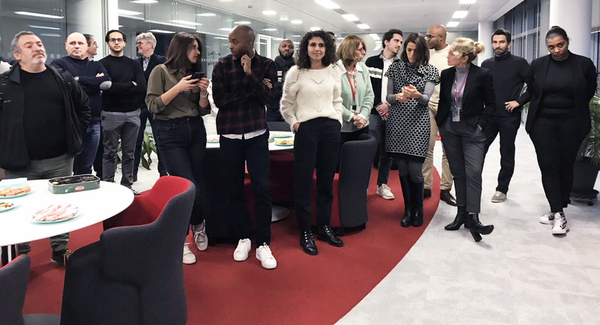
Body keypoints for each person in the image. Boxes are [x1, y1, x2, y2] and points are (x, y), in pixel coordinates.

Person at [0, 31, 90, 265]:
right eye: (29, 46)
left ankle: (60, 250)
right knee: (20, 209)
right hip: (19, 161)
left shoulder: (63, 78)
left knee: (59, 206)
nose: (37, 48)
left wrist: (76, 135)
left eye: (39, 43)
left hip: (59, 158)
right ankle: (22, 256)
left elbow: (83, 107)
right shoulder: (5, 84)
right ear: (17, 54)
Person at [211, 25, 278, 270]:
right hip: (229, 135)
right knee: (234, 189)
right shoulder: (221, 65)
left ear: (249, 42)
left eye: (234, 41)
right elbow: (219, 101)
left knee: (262, 189)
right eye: (229, 40)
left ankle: (263, 243)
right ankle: (243, 237)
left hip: (257, 134)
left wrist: (250, 75)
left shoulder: (267, 65)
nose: (230, 45)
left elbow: (270, 98)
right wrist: (255, 89)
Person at [521, 26, 597, 235]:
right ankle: (559, 213)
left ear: (567, 42)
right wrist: (517, 102)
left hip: (572, 122)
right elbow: (532, 89)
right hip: (543, 122)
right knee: (548, 164)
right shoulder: (538, 65)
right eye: (551, 47)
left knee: (565, 165)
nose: (556, 50)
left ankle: (558, 205)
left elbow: (588, 91)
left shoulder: (583, 64)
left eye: (560, 45)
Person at [146, 32, 210, 264]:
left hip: (195, 129)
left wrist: (203, 93)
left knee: (199, 184)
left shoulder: (192, 74)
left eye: (198, 48)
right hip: (170, 133)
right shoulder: (160, 71)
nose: (197, 52)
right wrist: (178, 88)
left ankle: (199, 224)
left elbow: (203, 109)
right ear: (180, 49)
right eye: (193, 47)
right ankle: (181, 240)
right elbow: (153, 105)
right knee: (186, 186)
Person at [280, 29, 344, 255]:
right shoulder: (296, 72)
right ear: (305, 48)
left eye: (321, 45)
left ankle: (324, 226)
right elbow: (286, 104)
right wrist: (296, 124)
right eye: (312, 44)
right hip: (306, 129)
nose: (317, 49)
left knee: (326, 180)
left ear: (327, 49)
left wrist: (337, 120)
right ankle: (305, 230)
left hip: (330, 128)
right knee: (304, 181)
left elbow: (338, 99)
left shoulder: (334, 71)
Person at [436, 38, 495, 242]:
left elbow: (492, 104)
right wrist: (441, 124)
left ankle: (473, 217)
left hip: (473, 131)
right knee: (458, 173)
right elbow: (444, 102)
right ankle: (461, 214)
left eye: (452, 53)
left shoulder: (482, 75)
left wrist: (481, 125)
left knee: (474, 172)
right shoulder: (447, 74)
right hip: (450, 129)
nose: (448, 55)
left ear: (465, 58)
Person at [381, 33, 438, 227]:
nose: (412, 54)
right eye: (409, 49)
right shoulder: (395, 68)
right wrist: (397, 97)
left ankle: (418, 209)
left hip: (418, 125)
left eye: (416, 50)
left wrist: (417, 94)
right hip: (397, 123)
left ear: (423, 51)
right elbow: (388, 97)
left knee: (415, 170)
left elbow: (425, 100)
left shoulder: (430, 70)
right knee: (403, 169)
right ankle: (408, 209)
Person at [51, 32, 111, 175]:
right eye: (72, 43)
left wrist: (76, 79)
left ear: (86, 47)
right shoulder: (58, 64)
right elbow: (63, 86)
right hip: (69, 123)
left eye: (80, 43)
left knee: (85, 166)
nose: (76, 46)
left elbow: (106, 84)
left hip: (94, 121)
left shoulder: (96, 64)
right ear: (66, 46)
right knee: (68, 168)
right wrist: (93, 83)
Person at [481, 28, 529, 203]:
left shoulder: (520, 63)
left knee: (506, 153)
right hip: (489, 116)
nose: (498, 45)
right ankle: (474, 185)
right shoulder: (486, 64)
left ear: (509, 43)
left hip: (509, 116)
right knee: (478, 151)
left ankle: (502, 189)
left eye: (502, 42)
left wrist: (519, 101)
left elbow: (534, 86)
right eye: (495, 42)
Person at [99, 30, 146, 193]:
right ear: (108, 43)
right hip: (111, 113)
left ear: (125, 43)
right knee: (109, 153)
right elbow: (104, 86)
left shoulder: (134, 64)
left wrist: (114, 87)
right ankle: (109, 186)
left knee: (129, 153)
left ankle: (127, 185)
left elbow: (142, 88)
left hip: (133, 113)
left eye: (119, 40)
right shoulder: (102, 64)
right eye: (113, 40)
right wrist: (129, 85)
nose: (116, 42)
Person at [366, 29, 403, 200]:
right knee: (368, 150)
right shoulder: (371, 61)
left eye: (401, 42)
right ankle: (362, 185)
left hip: (393, 113)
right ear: (386, 42)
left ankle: (382, 185)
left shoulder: (401, 64)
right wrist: (378, 105)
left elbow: (401, 90)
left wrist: (389, 105)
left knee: (387, 153)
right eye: (396, 41)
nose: (399, 45)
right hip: (373, 113)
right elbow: (367, 88)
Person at [424, 24, 457, 206]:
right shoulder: (426, 55)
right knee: (427, 148)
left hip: (449, 108)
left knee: (448, 151)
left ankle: (445, 189)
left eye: (430, 36)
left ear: (442, 38)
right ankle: (426, 186)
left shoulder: (453, 53)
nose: (427, 39)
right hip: (428, 106)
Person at [336, 35, 374, 165]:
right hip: (341, 128)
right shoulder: (334, 71)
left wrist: (362, 116)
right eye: (360, 49)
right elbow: (333, 100)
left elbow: (369, 95)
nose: (364, 53)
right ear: (349, 50)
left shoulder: (363, 69)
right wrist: (352, 116)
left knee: (359, 165)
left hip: (362, 125)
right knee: (341, 165)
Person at [134, 32, 167, 181]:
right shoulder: (135, 63)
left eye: (140, 43)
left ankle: (163, 173)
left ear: (150, 44)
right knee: (136, 140)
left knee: (160, 140)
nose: (138, 46)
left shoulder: (162, 62)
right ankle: (132, 174)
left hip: (156, 105)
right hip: (139, 105)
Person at [266, 39, 295, 122]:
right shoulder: (270, 66)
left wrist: (278, 85)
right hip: (273, 110)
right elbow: (269, 88)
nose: (287, 49)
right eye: (284, 46)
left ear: (293, 50)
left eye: (290, 47)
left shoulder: (297, 68)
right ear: (279, 48)